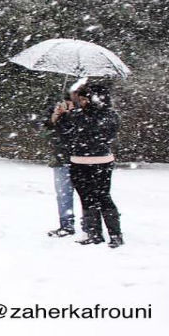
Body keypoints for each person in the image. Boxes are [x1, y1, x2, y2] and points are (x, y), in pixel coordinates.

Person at [68, 83, 123, 248]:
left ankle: (105, 234)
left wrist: (71, 114)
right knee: (95, 197)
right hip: (91, 162)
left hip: (90, 162)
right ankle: (105, 234)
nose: (82, 102)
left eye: (84, 99)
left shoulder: (85, 116)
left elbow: (84, 133)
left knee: (95, 197)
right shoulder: (109, 115)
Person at [44, 92, 76, 237]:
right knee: (63, 194)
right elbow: (46, 133)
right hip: (61, 159)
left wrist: (71, 115)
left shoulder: (84, 114)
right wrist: (54, 119)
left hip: (83, 160)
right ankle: (66, 224)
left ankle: (91, 225)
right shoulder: (55, 111)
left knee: (88, 196)